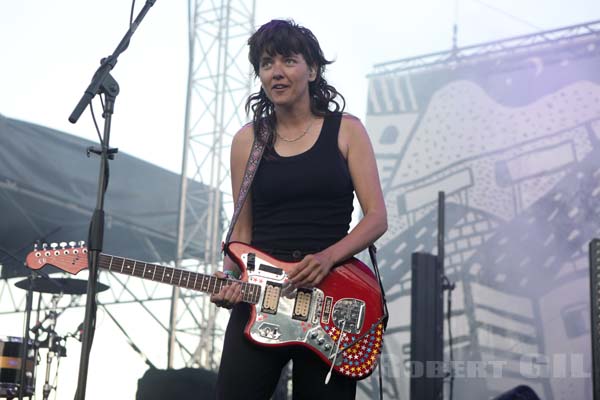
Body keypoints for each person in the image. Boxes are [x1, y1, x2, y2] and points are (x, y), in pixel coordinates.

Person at [210, 19, 387, 400]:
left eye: (288, 60)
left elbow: (376, 217)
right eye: (266, 63)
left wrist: (327, 258)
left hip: (331, 299)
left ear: (312, 69)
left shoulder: (347, 131)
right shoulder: (248, 141)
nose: (277, 72)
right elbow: (241, 232)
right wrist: (227, 276)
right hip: (259, 296)